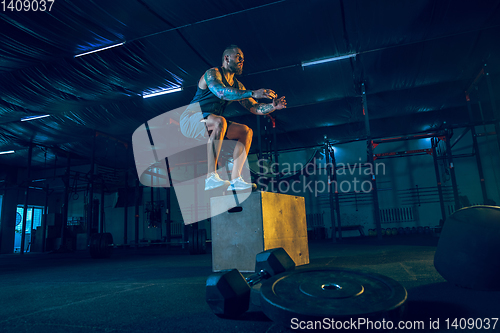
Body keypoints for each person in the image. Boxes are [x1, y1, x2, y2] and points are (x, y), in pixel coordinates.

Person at [180, 45, 287, 191]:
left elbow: (254, 108)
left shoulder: (238, 85)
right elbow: (221, 92)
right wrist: (252, 93)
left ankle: (236, 180)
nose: (242, 60)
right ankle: (210, 177)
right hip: (190, 119)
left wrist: (273, 106)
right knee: (219, 121)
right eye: (238, 56)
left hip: (210, 121)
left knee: (246, 131)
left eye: (243, 58)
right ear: (226, 58)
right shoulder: (212, 74)